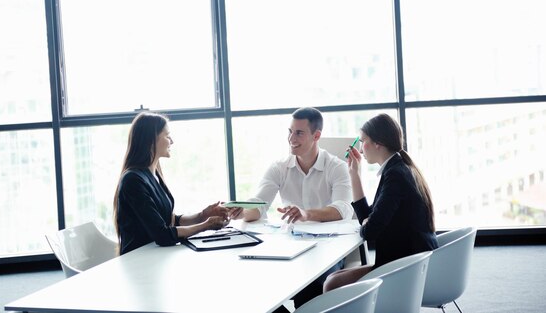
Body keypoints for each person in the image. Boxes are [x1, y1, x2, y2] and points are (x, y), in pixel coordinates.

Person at [229, 107, 353, 310]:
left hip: (329, 247)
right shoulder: (279, 167)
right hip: (291, 245)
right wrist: (241, 211)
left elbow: (343, 210)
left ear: (317, 135)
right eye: (289, 131)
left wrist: (306, 214)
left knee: (312, 283)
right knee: (256, 284)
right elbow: (259, 205)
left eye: (299, 133)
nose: (291, 138)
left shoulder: (336, 167)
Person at [323, 113, 439, 292]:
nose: (360, 149)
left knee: (332, 284)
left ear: (377, 143)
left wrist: (369, 223)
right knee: (332, 279)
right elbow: (367, 218)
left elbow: (370, 231)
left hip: (408, 267)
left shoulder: (395, 175)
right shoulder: (398, 168)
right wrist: (355, 174)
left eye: (363, 141)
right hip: (409, 260)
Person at [113, 111, 230, 255]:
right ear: (151, 140)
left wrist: (203, 215)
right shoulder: (133, 180)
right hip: (139, 260)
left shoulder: (154, 175)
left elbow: (171, 221)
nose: (172, 141)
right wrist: (205, 226)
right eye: (167, 136)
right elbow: (163, 235)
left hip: (156, 256)